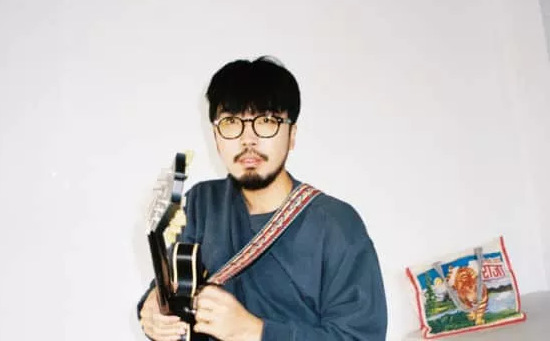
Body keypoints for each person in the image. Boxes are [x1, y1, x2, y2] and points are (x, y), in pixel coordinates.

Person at [137, 56, 387, 341]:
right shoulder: (201, 203)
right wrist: (151, 308)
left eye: (267, 121)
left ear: (292, 135)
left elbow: (361, 337)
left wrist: (254, 331)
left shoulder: (337, 225)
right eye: (231, 122)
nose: (248, 140)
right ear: (216, 137)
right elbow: (175, 287)